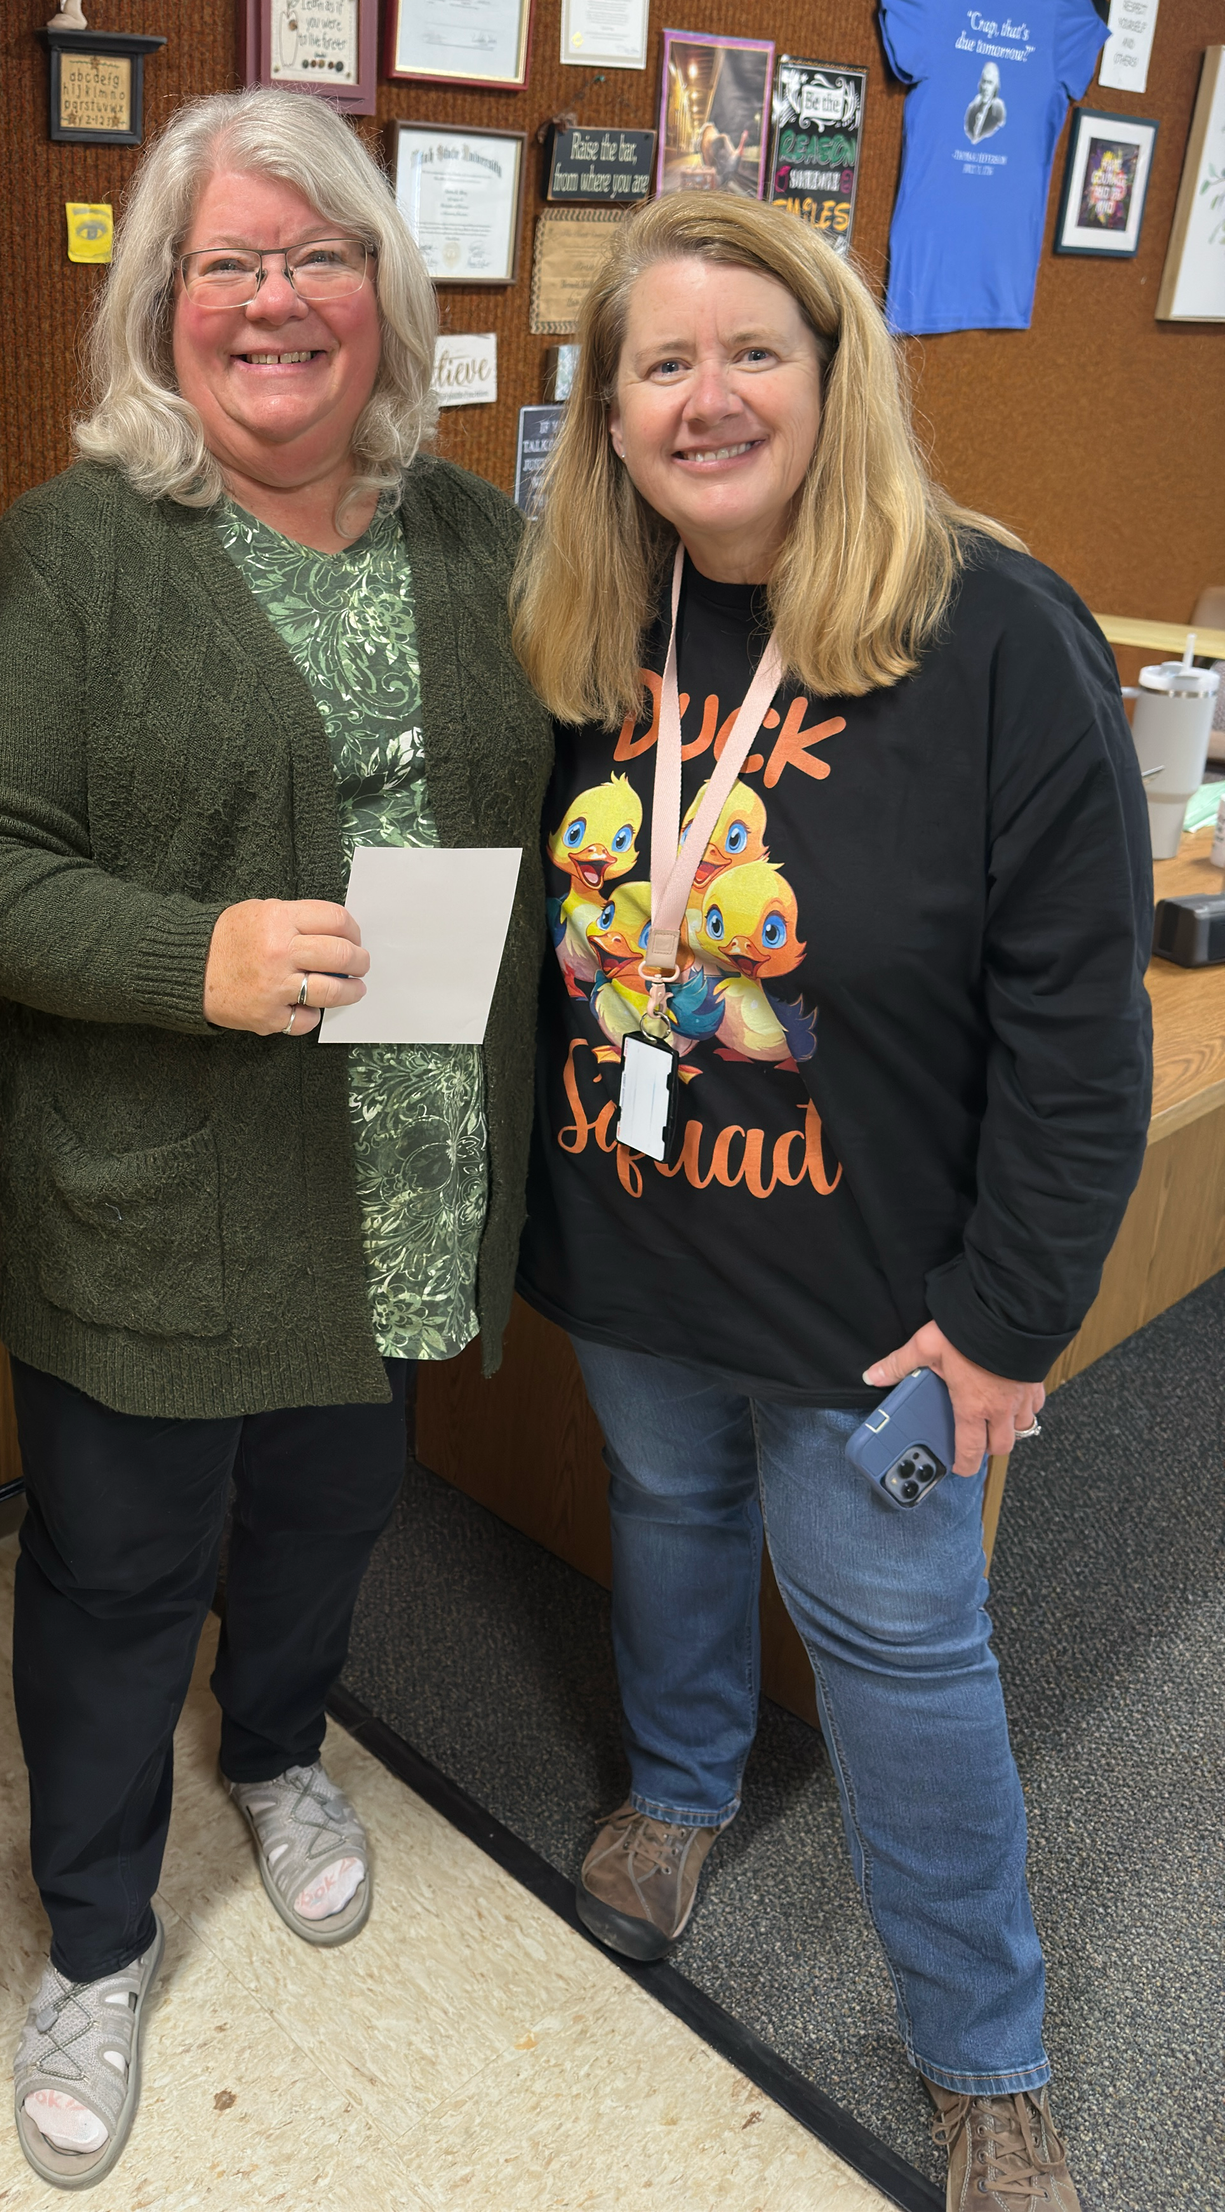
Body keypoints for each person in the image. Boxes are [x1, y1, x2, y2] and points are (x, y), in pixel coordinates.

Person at [0, 86, 550, 2189]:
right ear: (161, 308)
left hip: (395, 1184)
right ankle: (94, 1932)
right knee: (113, 1571)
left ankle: (274, 1747)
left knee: (327, 1515)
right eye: (229, 264)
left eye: (318, 256)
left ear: (386, 292)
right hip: (160, 1200)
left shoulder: (472, 538)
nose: (277, 299)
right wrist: (194, 950)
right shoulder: (74, 551)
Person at [512, 191, 1151, 2212]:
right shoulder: (585, 635)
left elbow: (1079, 1028)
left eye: (751, 351)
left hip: (887, 1299)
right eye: (661, 363)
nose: (708, 397)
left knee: (901, 1639)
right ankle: (683, 1793)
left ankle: (984, 2053)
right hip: (637, 1239)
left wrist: (1011, 1320)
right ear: (608, 417)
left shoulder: (995, 634)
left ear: (835, 369)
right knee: (671, 1525)